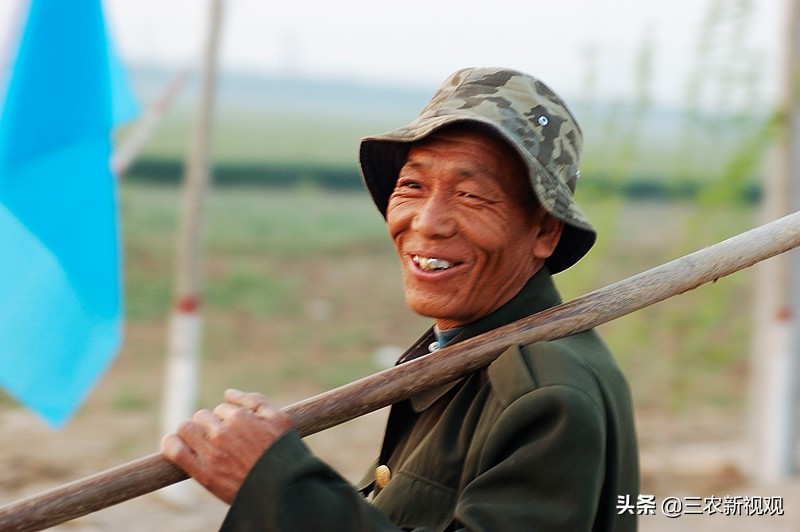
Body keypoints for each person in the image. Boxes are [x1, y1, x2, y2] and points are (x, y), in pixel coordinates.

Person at [162, 67, 640, 531]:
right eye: (413, 186)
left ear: (544, 231)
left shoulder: (544, 395)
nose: (428, 222)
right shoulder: (464, 352)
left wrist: (275, 484)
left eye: (471, 195)